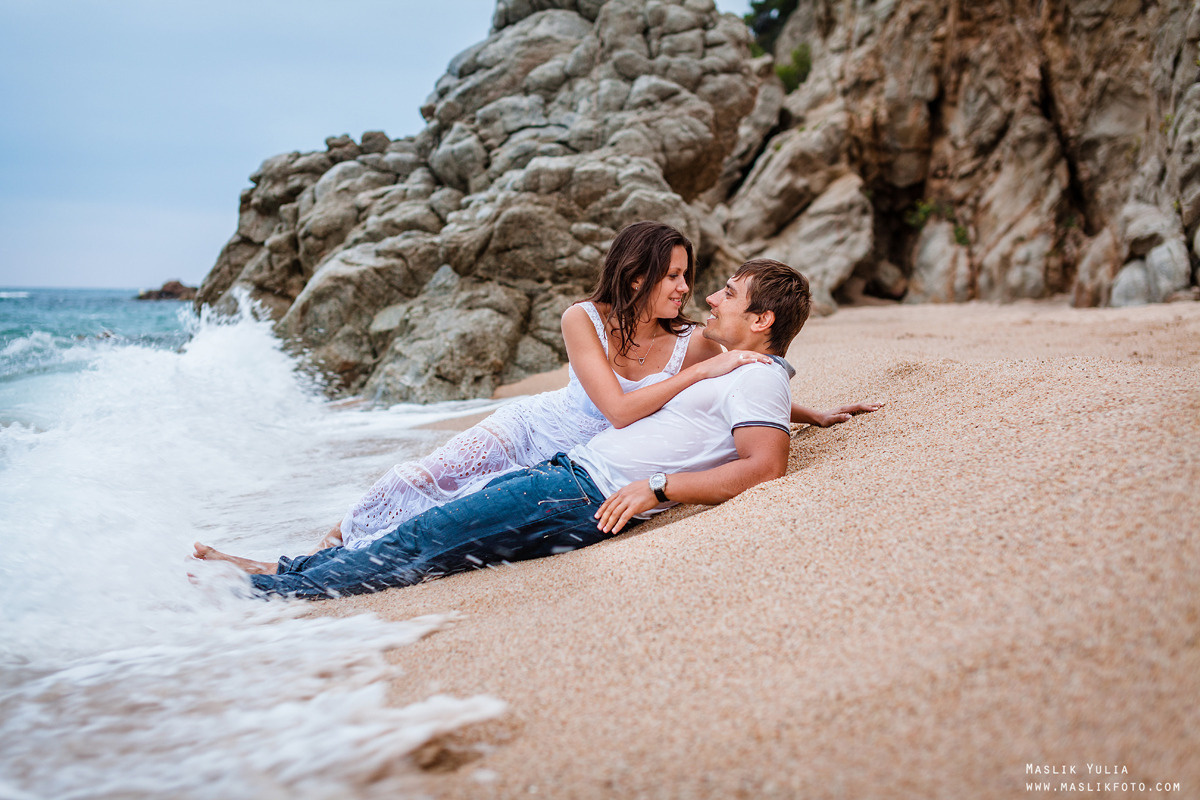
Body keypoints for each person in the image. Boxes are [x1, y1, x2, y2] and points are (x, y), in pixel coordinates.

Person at [201, 258, 879, 599]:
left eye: (729, 293)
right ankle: (274, 577)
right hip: (566, 475)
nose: (709, 295)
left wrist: (660, 489)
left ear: (762, 320)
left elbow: (764, 467)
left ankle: (257, 597)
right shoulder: (742, 371)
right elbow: (748, 416)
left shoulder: (756, 375)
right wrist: (812, 411)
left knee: (418, 543)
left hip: (581, 492)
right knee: (418, 532)